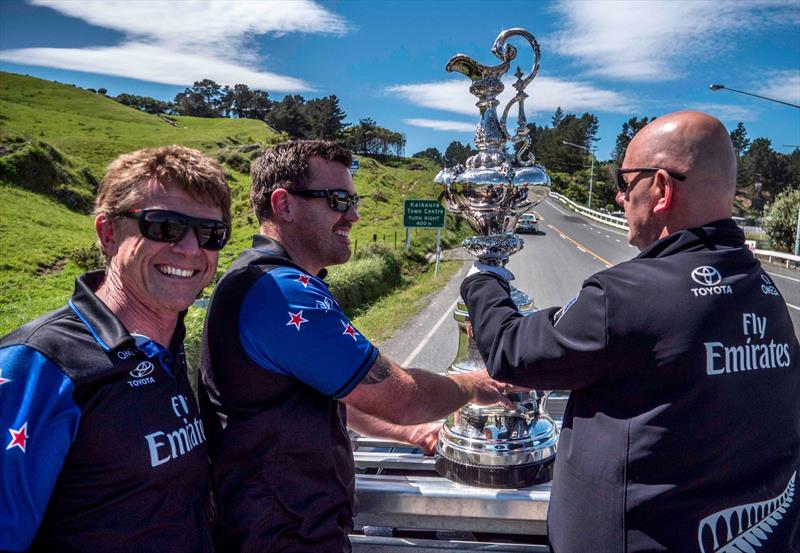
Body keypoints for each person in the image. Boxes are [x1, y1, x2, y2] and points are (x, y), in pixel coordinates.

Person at [462, 111, 799, 552]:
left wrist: (482, 275)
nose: (620, 198)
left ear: (660, 189)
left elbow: (512, 352)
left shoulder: (625, 293)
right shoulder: (765, 289)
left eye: (624, 183)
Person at [199, 140, 512, 552]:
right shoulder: (282, 293)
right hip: (281, 535)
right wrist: (475, 385)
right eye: (338, 200)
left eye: (354, 199)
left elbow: (338, 397)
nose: (354, 214)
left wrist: (413, 433)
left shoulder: (261, 279)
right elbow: (401, 396)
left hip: (282, 525)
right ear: (284, 205)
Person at [0, 145, 231, 552]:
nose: (192, 250)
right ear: (108, 234)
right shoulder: (38, 364)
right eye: (165, 226)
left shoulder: (166, 350)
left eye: (210, 233)